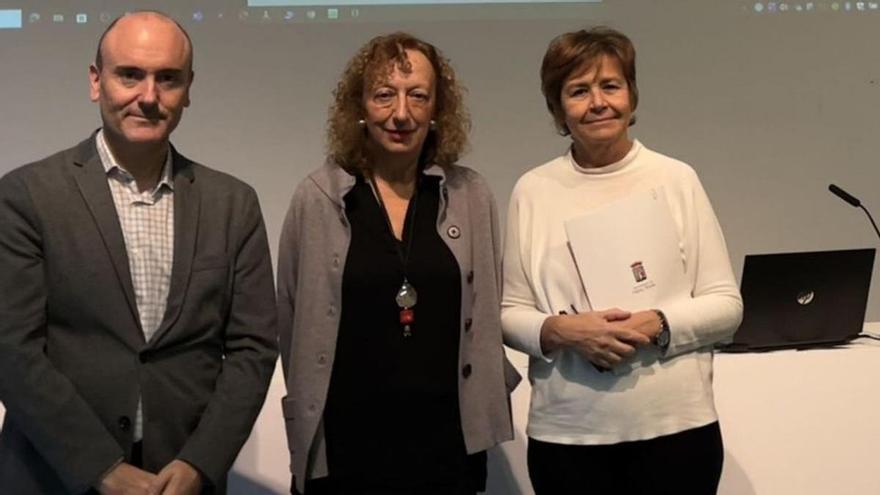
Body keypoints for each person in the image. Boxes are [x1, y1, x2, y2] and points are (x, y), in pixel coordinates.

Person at [0, 11, 277, 495]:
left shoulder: (234, 203)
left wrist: (199, 463)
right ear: (96, 81)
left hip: (182, 480)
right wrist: (101, 468)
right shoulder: (26, 195)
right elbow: (11, 348)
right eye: (130, 74)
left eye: (168, 79)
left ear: (189, 89)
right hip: (53, 477)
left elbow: (254, 349)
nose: (148, 97)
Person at [501, 27, 743, 494]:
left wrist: (655, 322)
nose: (598, 102)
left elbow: (726, 304)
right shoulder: (533, 190)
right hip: (567, 435)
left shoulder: (676, 179)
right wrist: (560, 331)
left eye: (610, 85)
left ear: (632, 95)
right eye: (578, 91)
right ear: (558, 109)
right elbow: (510, 311)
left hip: (677, 431)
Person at [277, 32, 518, 495]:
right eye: (385, 94)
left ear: (437, 111)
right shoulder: (318, 196)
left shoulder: (471, 196)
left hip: (448, 450)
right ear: (360, 108)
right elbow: (291, 319)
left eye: (418, 96)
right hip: (346, 451)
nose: (401, 114)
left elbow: (485, 311)